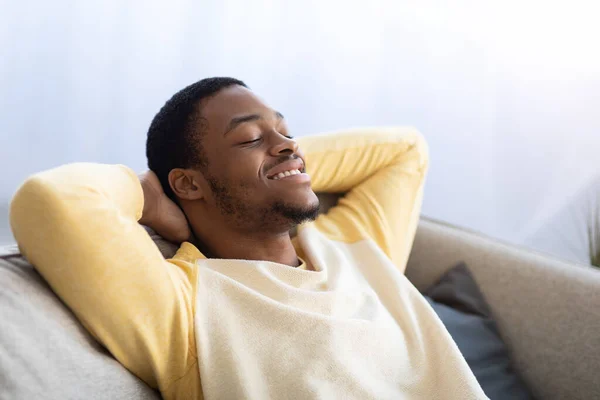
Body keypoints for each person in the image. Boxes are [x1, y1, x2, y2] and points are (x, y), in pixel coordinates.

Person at [10, 77, 487, 399]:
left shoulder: (356, 248)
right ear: (188, 183)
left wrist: (277, 158)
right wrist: (149, 196)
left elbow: (404, 150)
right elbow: (47, 199)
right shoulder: (187, 308)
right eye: (247, 138)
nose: (289, 143)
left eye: (285, 129)